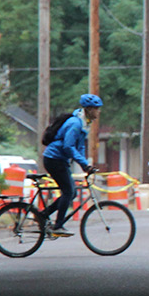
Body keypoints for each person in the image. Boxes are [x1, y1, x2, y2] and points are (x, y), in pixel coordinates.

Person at [42, 93, 101, 237]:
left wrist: (86, 165)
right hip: (54, 159)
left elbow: (79, 147)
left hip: (60, 160)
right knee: (68, 192)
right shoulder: (75, 123)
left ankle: (43, 214)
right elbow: (68, 146)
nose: (98, 112)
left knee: (72, 193)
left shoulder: (84, 123)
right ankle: (58, 226)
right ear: (89, 109)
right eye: (96, 109)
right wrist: (84, 164)